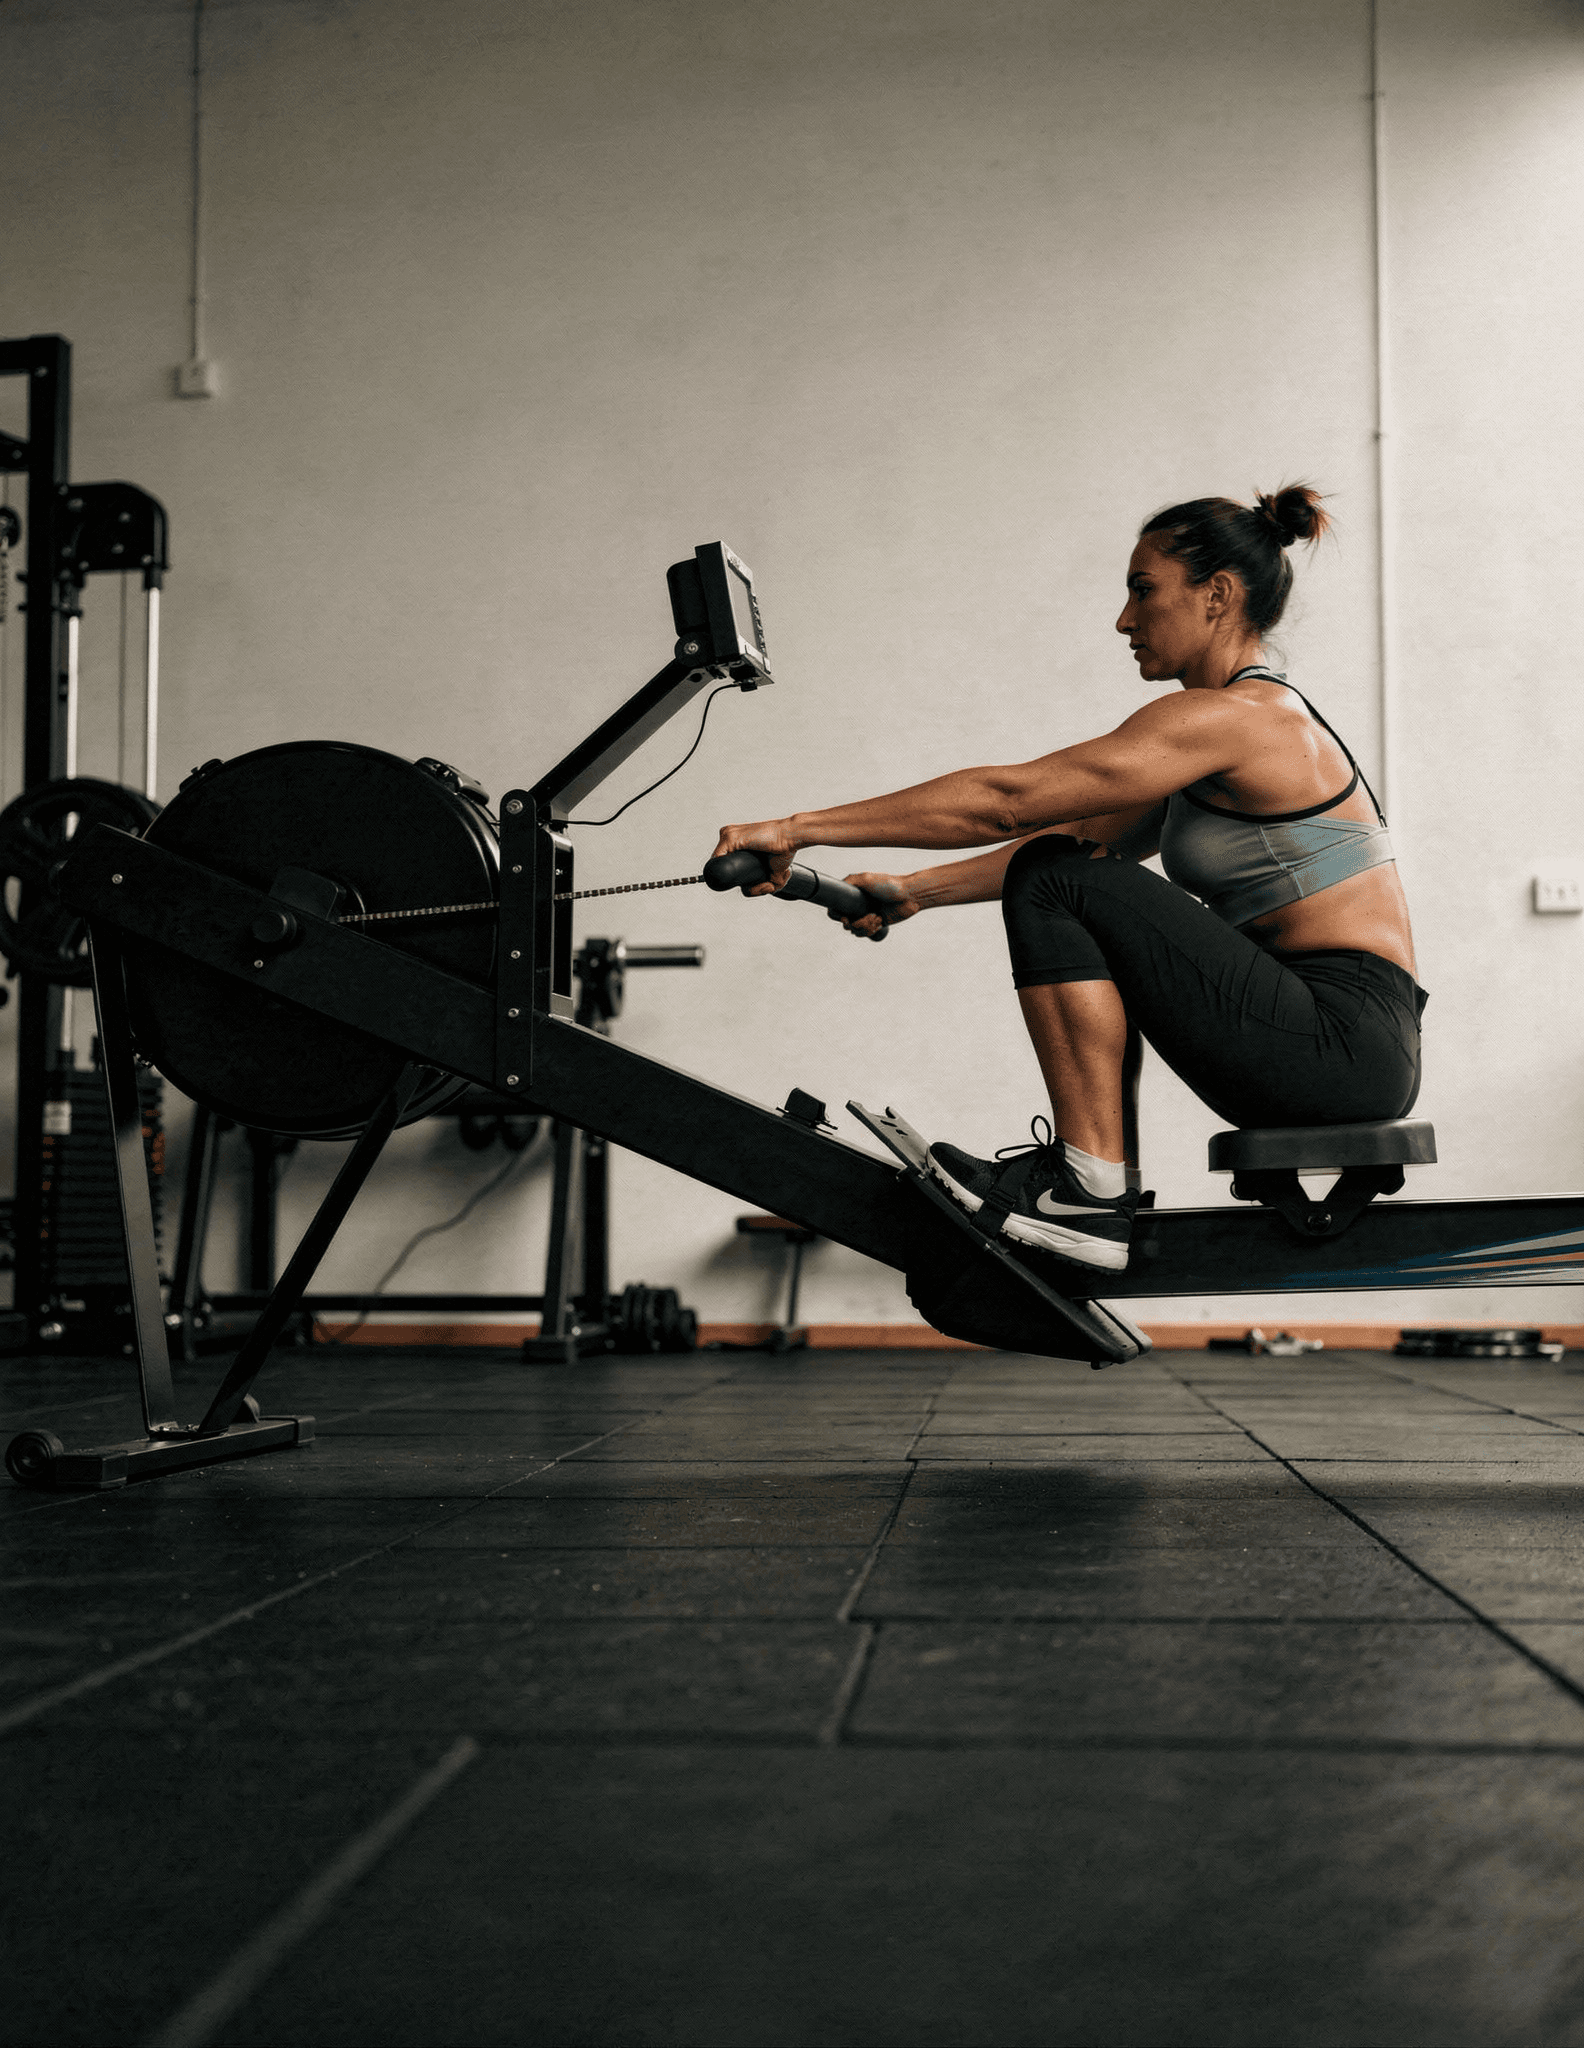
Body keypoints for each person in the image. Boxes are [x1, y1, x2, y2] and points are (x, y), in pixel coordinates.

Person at [710, 486, 1426, 1275]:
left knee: (1057, 879)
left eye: (1143, 590)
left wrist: (796, 827)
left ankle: (1087, 1192)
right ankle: (1093, 1188)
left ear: (1217, 595)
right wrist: (920, 891)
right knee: (1063, 872)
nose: (1124, 619)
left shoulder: (1242, 720)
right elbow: (1088, 838)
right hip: (1336, 1039)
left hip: (1340, 1040)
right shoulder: (1217, 737)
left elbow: (1008, 805)